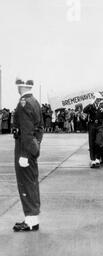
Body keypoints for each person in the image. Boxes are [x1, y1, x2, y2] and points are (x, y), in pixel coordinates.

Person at [12, 78, 44, 232]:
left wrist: (24, 153)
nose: (17, 88)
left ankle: (30, 220)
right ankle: (32, 219)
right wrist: (36, 146)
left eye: (18, 86)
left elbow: (26, 131)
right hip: (32, 148)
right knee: (31, 183)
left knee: (25, 183)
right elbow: (40, 129)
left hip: (24, 148)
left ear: (21, 86)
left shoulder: (24, 103)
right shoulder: (35, 102)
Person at [83, 93, 103, 168]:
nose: (98, 101)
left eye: (99, 99)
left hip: (100, 126)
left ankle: (97, 158)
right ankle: (93, 160)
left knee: (98, 142)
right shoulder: (90, 107)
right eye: (97, 99)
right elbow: (84, 110)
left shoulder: (102, 108)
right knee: (92, 143)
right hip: (92, 125)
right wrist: (91, 103)